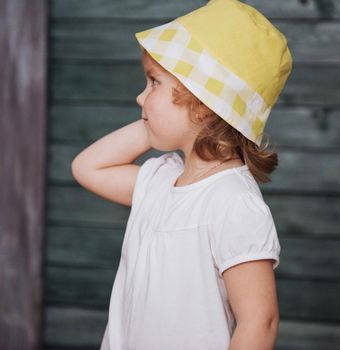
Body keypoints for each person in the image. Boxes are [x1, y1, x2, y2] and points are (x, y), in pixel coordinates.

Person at [71, 0, 293, 349]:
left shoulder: (233, 202)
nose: (140, 97)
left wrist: (175, 116)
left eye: (153, 82)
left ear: (203, 102)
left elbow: (259, 322)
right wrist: (158, 119)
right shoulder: (159, 181)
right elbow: (87, 167)